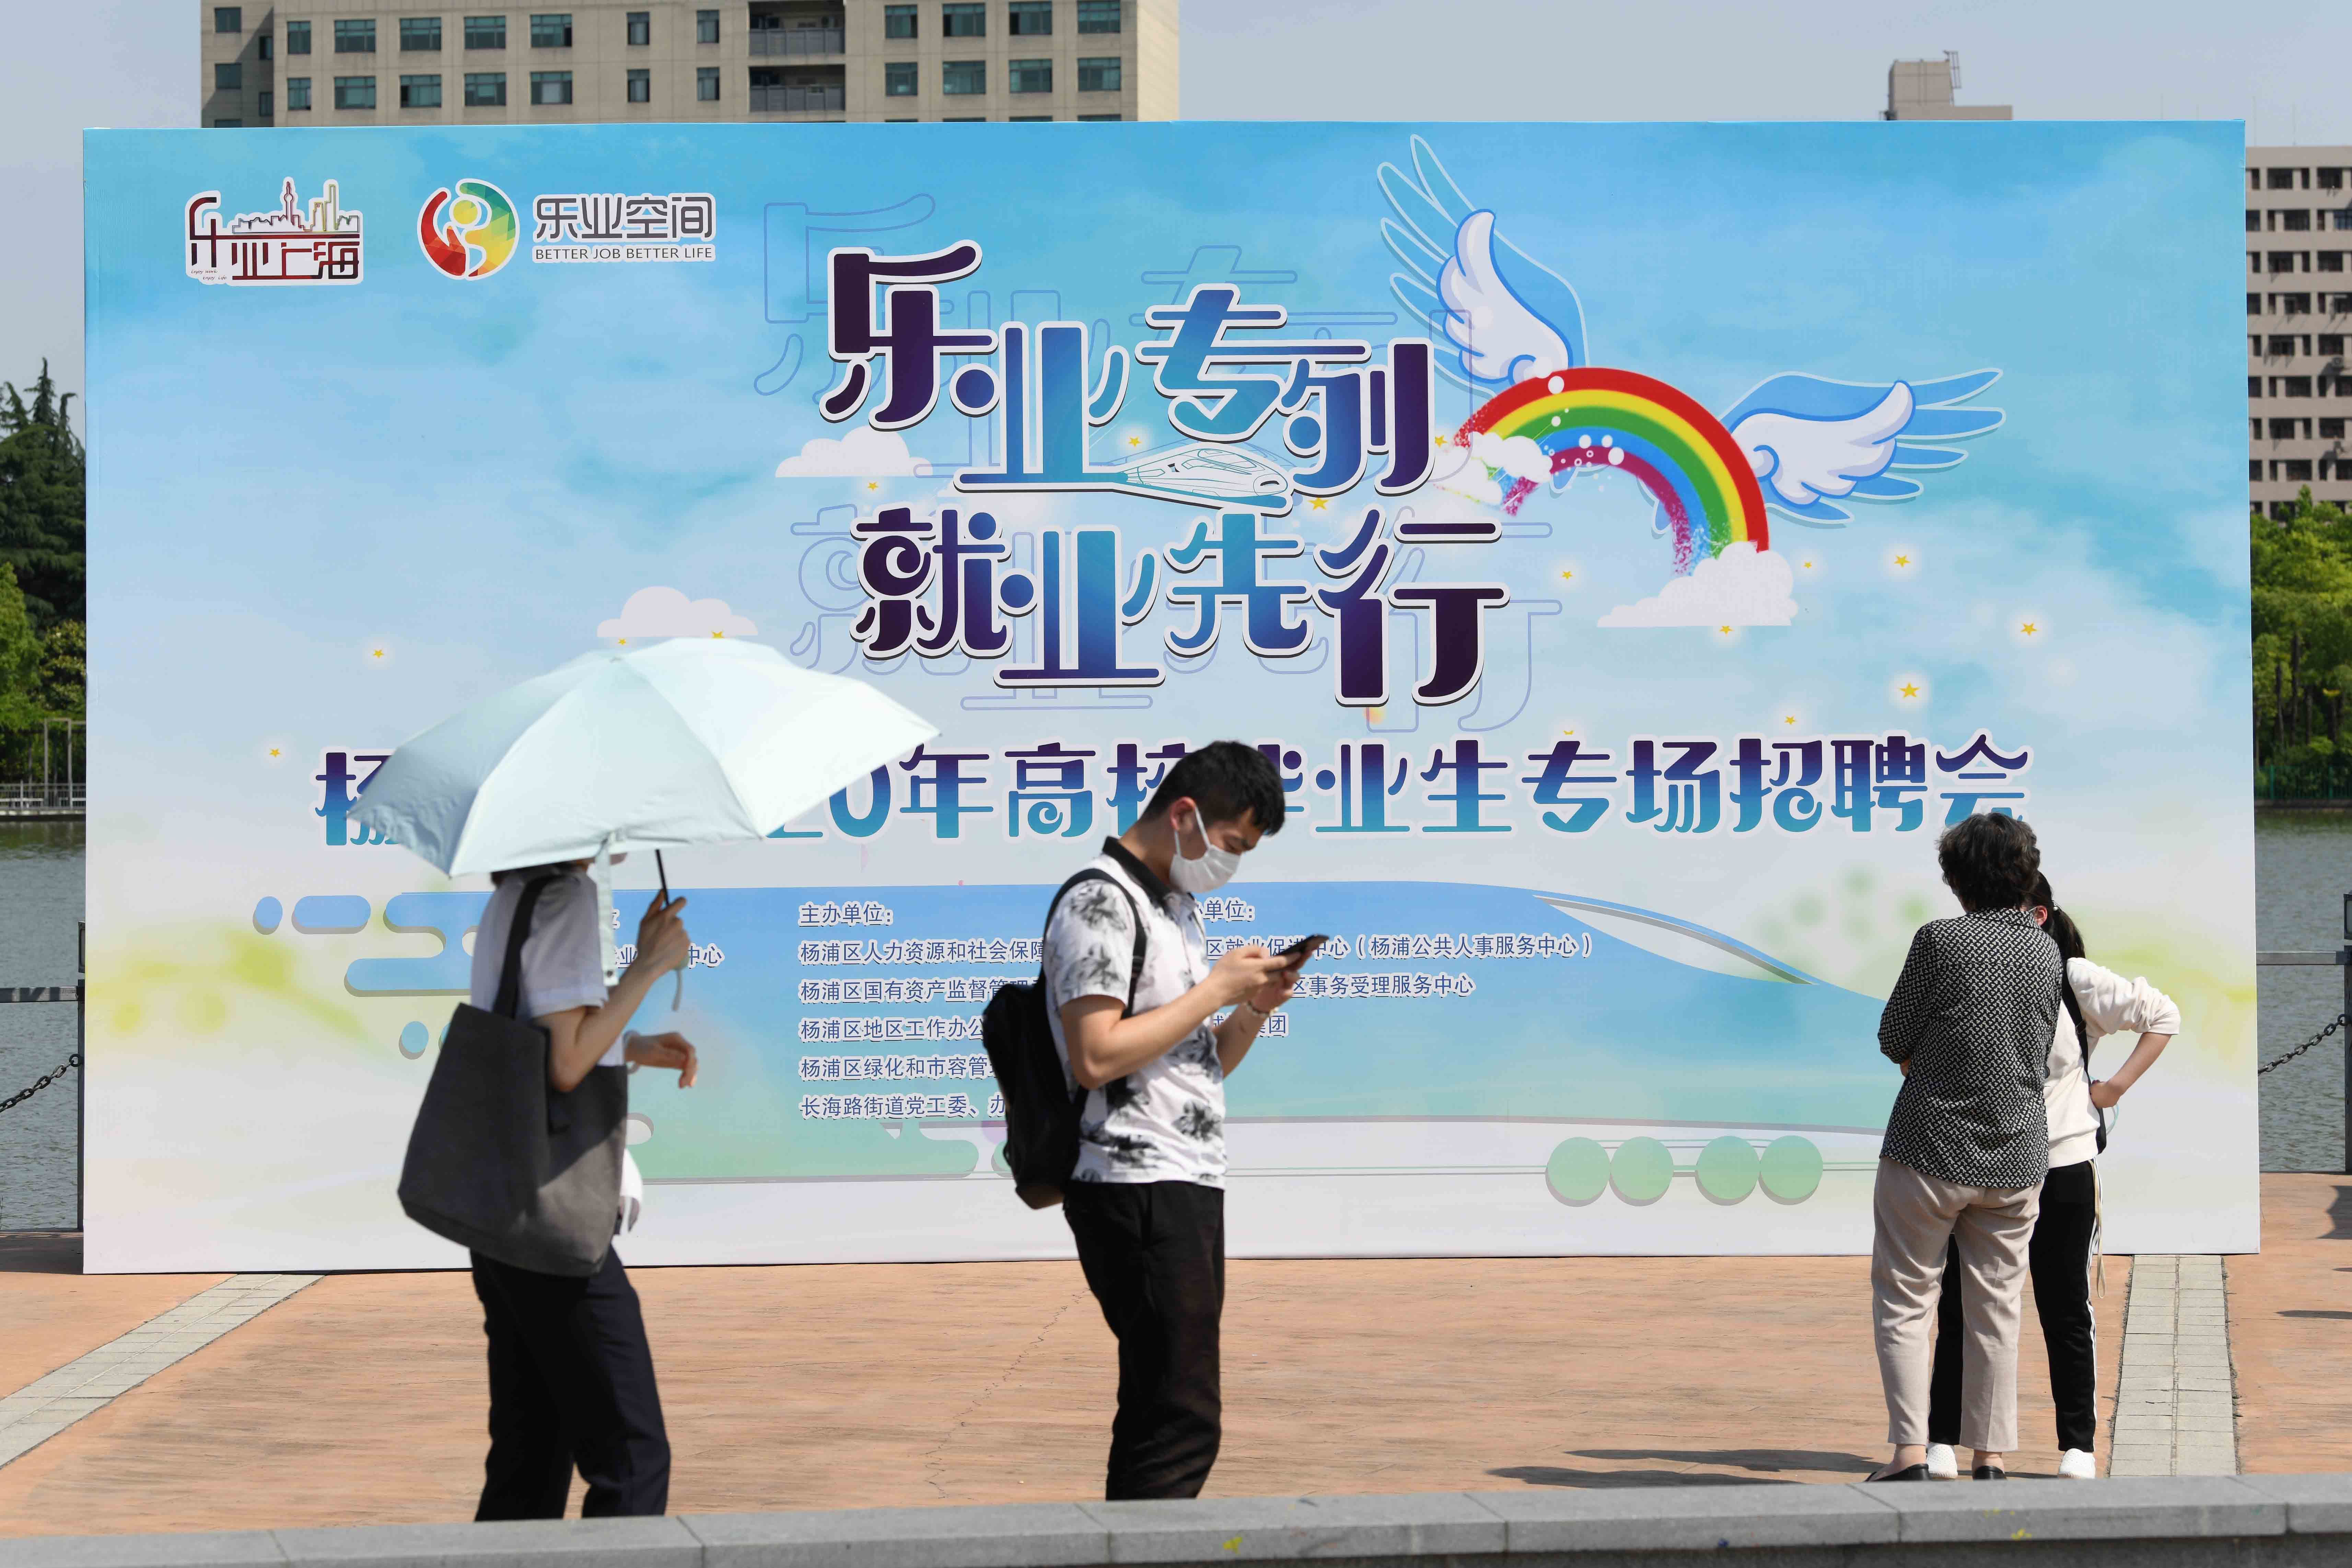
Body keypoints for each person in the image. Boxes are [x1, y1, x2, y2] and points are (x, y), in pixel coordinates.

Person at [1043, 740, 1297, 1500]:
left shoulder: (1174, 908)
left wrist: (1251, 1008)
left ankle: (1131, 1543)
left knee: (1169, 1399)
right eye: (1232, 844)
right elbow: (1095, 1055)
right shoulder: (1099, 901)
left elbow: (1195, 1066)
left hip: (1183, 1177)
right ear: (1184, 814)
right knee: (1179, 1409)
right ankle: (1142, 1546)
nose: (1232, 864)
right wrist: (1214, 989)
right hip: (1132, 1182)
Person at [466, 859, 700, 1520]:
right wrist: (647, 965)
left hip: (502, 1207)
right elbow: (566, 1062)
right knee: (633, 1458)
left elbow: (541, 1037)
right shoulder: (569, 895)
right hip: (557, 1214)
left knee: (528, 1460)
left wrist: (629, 1044)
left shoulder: (514, 895)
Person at [1924, 871, 2178, 1481]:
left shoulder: (2072, 976)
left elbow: (2162, 1014)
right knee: (1961, 1303)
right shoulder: (1968, 970)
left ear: (2037, 916)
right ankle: (1941, 1439)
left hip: (2062, 1163)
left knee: (2064, 1306)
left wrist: (2110, 1089)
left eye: (2000, 908)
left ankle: (2078, 1446)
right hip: (1984, 1163)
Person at [1867, 812, 2059, 1483]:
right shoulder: (2045, 952)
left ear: (1955, 877)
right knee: (1997, 1307)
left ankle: (1909, 1452)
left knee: (1906, 1298)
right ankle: (1991, 1456)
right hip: (2015, 1153)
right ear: (2024, 874)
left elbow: (1893, 1034)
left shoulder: (1939, 940)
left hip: (1928, 1146)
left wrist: (1921, 1056)